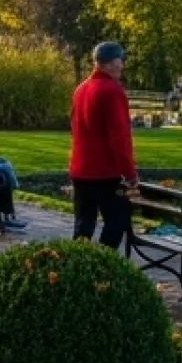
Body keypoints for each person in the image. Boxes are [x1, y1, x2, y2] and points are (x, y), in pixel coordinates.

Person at [68, 41, 136, 249]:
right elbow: (119, 136)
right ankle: (103, 264)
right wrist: (130, 173)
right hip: (104, 171)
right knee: (117, 219)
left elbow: (74, 126)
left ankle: (78, 264)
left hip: (80, 168)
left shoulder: (81, 89)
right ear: (111, 63)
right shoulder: (111, 91)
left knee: (83, 223)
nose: (122, 65)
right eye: (120, 60)